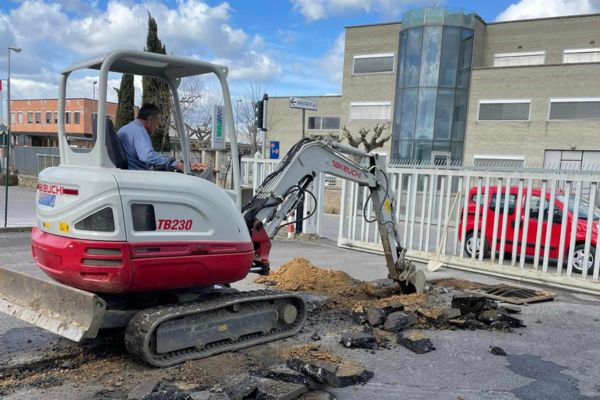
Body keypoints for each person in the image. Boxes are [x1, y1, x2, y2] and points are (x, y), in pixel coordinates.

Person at [117, 103, 184, 171]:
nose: (157, 127)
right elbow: (147, 156)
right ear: (150, 120)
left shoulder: (125, 128)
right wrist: (175, 164)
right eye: (157, 123)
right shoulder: (139, 131)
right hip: (138, 175)